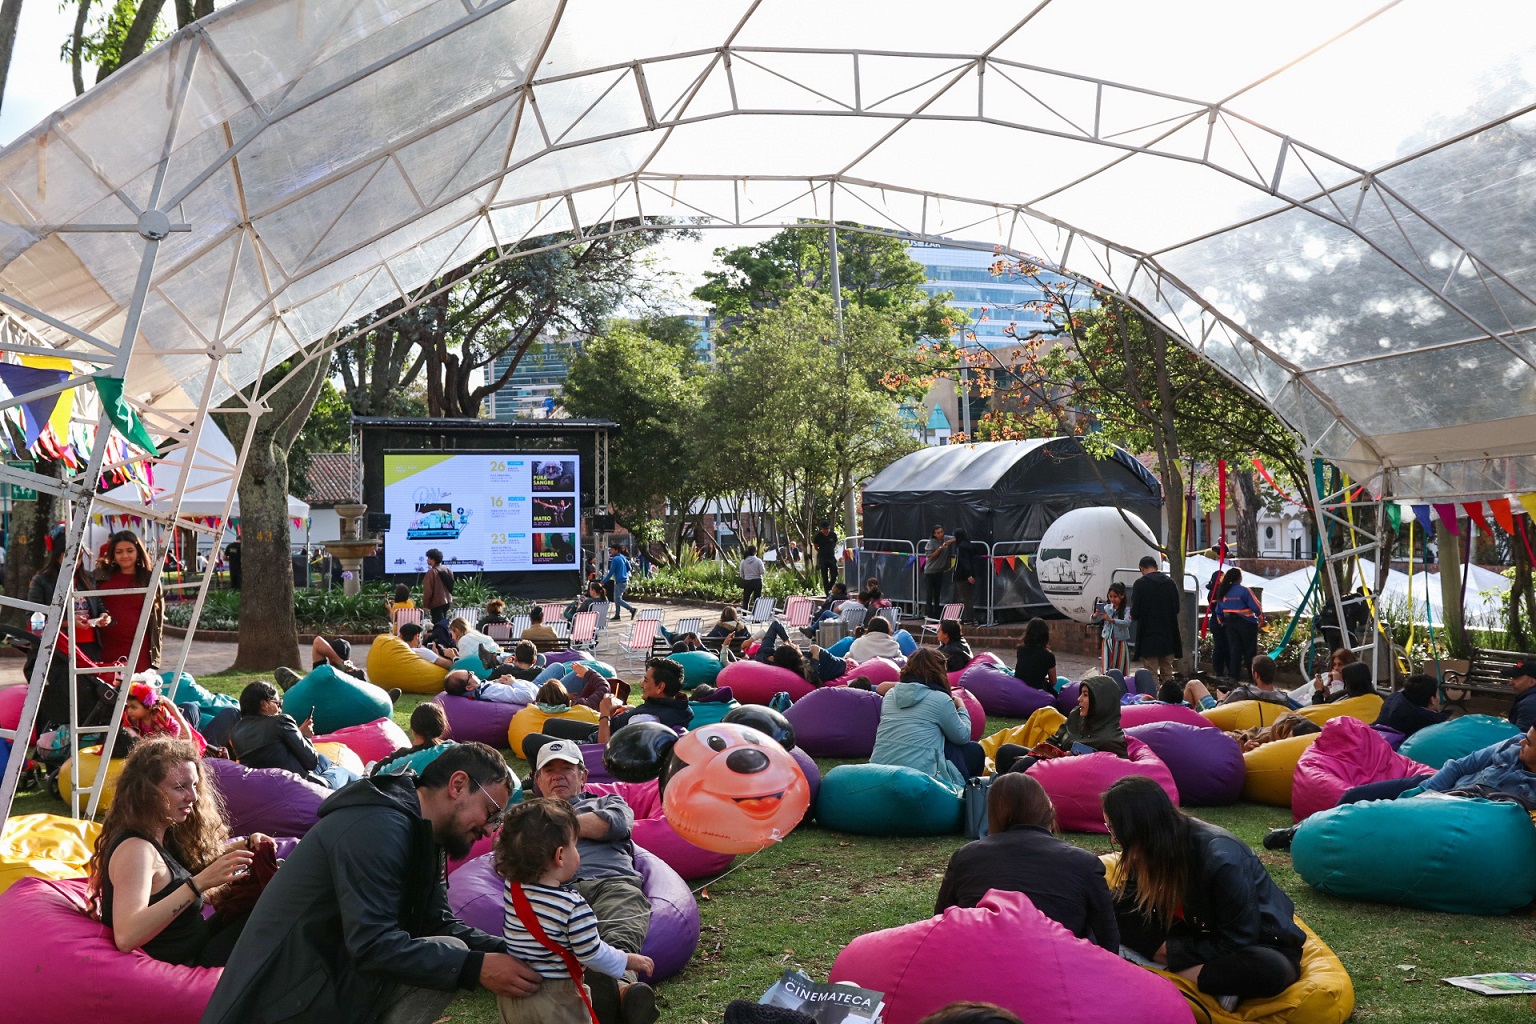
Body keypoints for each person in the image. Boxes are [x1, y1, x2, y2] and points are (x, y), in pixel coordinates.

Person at [201, 744, 538, 1024]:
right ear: (458, 785)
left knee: (449, 953)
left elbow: (435, 922)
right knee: (453, 958)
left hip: (323, 987)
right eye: (492, 813)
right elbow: (372, 943)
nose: (490, 830)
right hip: (274, 1004)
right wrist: (475, 967)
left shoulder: (424, 832)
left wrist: (511, 950)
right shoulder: (377, 827)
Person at [1104, 776, 1305, 1010]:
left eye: (1114, 830)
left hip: (1255, 943)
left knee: (1270, 970)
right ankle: (1194, 977)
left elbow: (1238, 939)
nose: (1113, 839)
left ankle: (1164, 969)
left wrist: (1168, 952)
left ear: (1138, 828)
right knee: (1112, 908)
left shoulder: (1220, 859)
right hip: (1194, 932)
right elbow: (1129, 902)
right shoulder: (1148, 848)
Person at [87, 738, 263, 967]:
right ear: (147, 791)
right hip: (183, 966)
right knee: (274, 919)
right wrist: (197, 885)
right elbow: (126, 936)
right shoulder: (136, 850)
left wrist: (247, 845)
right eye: (180, 787)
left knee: (266, 903)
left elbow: (184, 870)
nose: (193, 797)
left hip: (198, 944)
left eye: (194, 786)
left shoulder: (163, 834)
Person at [523, 740, 658, 1024]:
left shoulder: (608, 801)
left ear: (583, 776)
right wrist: (584, 828)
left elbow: (615, 824)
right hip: (554, 891)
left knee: (621, 920)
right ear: (538, 780)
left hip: (612, 881)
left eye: (567, 769)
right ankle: (615, 994)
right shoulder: (526, 815)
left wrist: (552, 827)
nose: (558, 775)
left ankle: (618, 988)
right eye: (549, 770)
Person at [494, 798, 656, 1024]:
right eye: (575, 843)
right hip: (557, 1000)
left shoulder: (513, 889)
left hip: (516, 999)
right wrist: (627, 960)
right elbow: (592, 954)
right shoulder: (572, 907)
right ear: (560, 856)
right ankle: (619, 986)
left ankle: (619, 991)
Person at [1265, 725, 1536, 850]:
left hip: (1458, 810)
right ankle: (1301, 830)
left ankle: (1318, 838)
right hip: (1436, 786)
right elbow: (1459, 766)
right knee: (1355, 796)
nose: (1523, 743)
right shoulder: (1513, 744)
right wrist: (1424, 791)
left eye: (1530, 743)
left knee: (1378, 820)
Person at [933, 773, 1118, 951]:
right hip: (1059, 971)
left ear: (993, 814)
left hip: (981, 967)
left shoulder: (965, 857)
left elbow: (939, 924)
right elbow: (1108, 942)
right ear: (1047, 811)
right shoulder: (1085, 863)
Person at [870, 647, 983, 784]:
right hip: (921, 776)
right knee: (974, 750)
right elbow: (963, 736)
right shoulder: (940, 699)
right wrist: (961, 708)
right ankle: (968, 796)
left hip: (878, 770)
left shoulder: (890, 695)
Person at [527, 659, 692, 751]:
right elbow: (649, 718)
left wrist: (605, 713)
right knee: (551, 724)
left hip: (598, 743)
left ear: (660, 687)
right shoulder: (676, 707)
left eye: (646, 680)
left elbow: (603, 747)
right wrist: (632, 711)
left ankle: (538, 780)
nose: (642, 684)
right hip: (609, 729)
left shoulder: (647, 719)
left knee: (531, 740)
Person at [227, 681, 359, 790]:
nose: (280, 709)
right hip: (301, 787)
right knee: (343, 773)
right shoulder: (280, 721)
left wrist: (298, 734)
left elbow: (271, 750)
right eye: (278, 703)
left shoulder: (235, 732)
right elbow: (311, 762)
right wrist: (306, 737)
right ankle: (366, 781)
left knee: (324, 760)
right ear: (264, 704)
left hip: (266, 788)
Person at [995, 675, 1127, 775]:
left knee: (1029, 763)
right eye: (1081, 693)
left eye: (1085, 695)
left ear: (1101, 702)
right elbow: (1055, 739)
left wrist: (1073, 758)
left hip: (1068, 777)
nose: (1079, 699)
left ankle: (1001, 797)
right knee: (1006, 751)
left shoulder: (1112, 739)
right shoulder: (1076, 716)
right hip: (1054, 762)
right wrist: (1037, 753)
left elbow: (1112, 772)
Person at [30, 531, 109, 661]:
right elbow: (34, 616)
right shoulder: (42, 580)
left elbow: (98, 604)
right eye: (68, 558)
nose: (75, 563)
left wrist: (103, 615)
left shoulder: (88, 577)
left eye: (78, 558)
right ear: (57, 556)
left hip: (90, 644)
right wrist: (69, 623)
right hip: (60, 645)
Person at [93, 529, 164, 672]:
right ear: (112, 553)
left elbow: (158, 615)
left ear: (138, 552)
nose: (124, 555)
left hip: (139, 644)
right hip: (104, 644)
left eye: (130, 550)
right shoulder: (99, 576)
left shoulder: (149, 578)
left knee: (138, 688)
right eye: (119, 552)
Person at [1129, 556, 1182, 687]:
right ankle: (1170, 699)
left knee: (1151, 672)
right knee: (1168, 671)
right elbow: (1176, 608)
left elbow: (1135, 613)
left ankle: (1155, 700)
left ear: (1141, 568)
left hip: (1149, 635)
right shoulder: (1170, 583)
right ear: (1156, 567)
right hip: (1168, 634)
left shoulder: (1140, 584)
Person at [122, 675, 206, 754]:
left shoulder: (158, 715)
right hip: (156, 745)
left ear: (148, 707)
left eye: (133, 707)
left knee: (190, 707)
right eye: (128, 706)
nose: (129, 711)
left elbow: (176, 727)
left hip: (174, 741)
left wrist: (172, 741)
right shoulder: (133, 718)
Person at [1182, 655, 1299, 711]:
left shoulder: (1243, 693)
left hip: (1214, 714)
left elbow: (1217, 712)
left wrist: (1221, 699)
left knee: (1194, 684)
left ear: (1256, 675)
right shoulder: (1283, 700)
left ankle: (1186, 720)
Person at [374, 703, 455, 776]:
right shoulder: (453, 748)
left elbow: (375, 773)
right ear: (442, 728)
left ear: (413, 729)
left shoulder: (401, 756)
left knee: (371, 764)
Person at [1211, 569, 1262, 682]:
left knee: (1234, 650)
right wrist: (1261, 616)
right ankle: (1253, 678)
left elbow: (1219, 610)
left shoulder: (1223, 591)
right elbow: (1256, 607)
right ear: (1239, 578)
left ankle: (1234, 677)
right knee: (1250, 652)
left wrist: (1223, 621)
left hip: (1230, 624)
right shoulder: (1244, 591)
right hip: (1247, 624)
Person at [1287, 647, 1354, 706]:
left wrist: (1337, 681)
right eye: (1334, 664)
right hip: (1297, 704)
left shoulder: (1347, 687)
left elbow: (1335, 704)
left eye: (1340, 664)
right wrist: (1286, 698)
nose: (1336, 668)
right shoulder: (1325, 676)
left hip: (1306, 710)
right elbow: (1302, 689)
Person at [1092, 582, 1132, 676]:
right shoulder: (1107, 608)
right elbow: (1094, 620)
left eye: (1115, 596)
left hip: (1120, 642)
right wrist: (1095, 615)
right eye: (1110, 596)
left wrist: (1112, 620)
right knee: (1107, 667)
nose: (1112, 599)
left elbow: (1127, 622)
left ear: (1122, 596)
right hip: (1107, 641)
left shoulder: (1126, 610)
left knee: (1121, 667)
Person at [1232, 713, 1319, 753]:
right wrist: (1247, 748)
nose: (1287, 741)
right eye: (1288, 738)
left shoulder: (1314, 735)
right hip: (1239, 737)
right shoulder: (1269, 737)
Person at [1013, 618, 1056, 692]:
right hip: (1036, 691)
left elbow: (1025, 671)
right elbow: (1053, 681)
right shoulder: (1048, 656)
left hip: (1018, 687)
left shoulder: (1020, 649)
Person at [951, 529, 984, 625]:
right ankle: (969, 617)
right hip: (970, 574)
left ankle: (969, 618)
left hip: (962, 575)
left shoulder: (961, 547)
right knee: (968, 596)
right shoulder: (970, 545)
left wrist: (968, 574)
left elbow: (964, 562)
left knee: (966, 597)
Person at [921, 525, 955, 619]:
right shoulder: (931, 543)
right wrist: (941, 548)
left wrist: (948, 542)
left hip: (939, 571)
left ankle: (936, 613)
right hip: (930, 571)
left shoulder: (945, 538)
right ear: (934, 534)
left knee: (937, 593)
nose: (941, 534)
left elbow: (956, 538)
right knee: (929, 593)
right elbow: (930, 556)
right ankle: (929, 613)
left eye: (942, 532)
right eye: (938, 533)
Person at [601, 545, 637, 622]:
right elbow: (629, 568)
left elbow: (611, 572)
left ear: (616, 550)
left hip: (620, 581)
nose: (610, 552)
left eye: (612, 550)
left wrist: (603, 581)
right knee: (617, 597)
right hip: (624, 580)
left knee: (617, 599)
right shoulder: (623, 557)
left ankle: (631, 609)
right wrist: (623, 572)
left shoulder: (615, 559)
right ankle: (617, 615)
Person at [1504, 659, 1536, 731]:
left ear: (1532, 682)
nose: (1511, 682)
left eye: (1516, 678)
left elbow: (1522, 739)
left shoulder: (1529, 705)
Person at [812, 521, 839, 592]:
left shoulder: (833, 535)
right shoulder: (818, 536)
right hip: (823, 558)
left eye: (827, 529)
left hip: (831, 557)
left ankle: (829, 587)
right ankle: (827, 591)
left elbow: (835, 543)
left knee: (834, 574)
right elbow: (816, 546)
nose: (826, 531)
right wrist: (821, 552)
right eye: (824, 529)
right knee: (825, 576)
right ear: (822, 529)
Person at [739, 546, 766, 612]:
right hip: (757, 581)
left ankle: (744, 615)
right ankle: (756, 616)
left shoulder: (743, 561)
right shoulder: (758, 561)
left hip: (747, 581)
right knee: (757, 600)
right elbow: (762, 572)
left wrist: (745, 577)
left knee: (746, 600)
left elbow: (741, 573)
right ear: (755, 552)